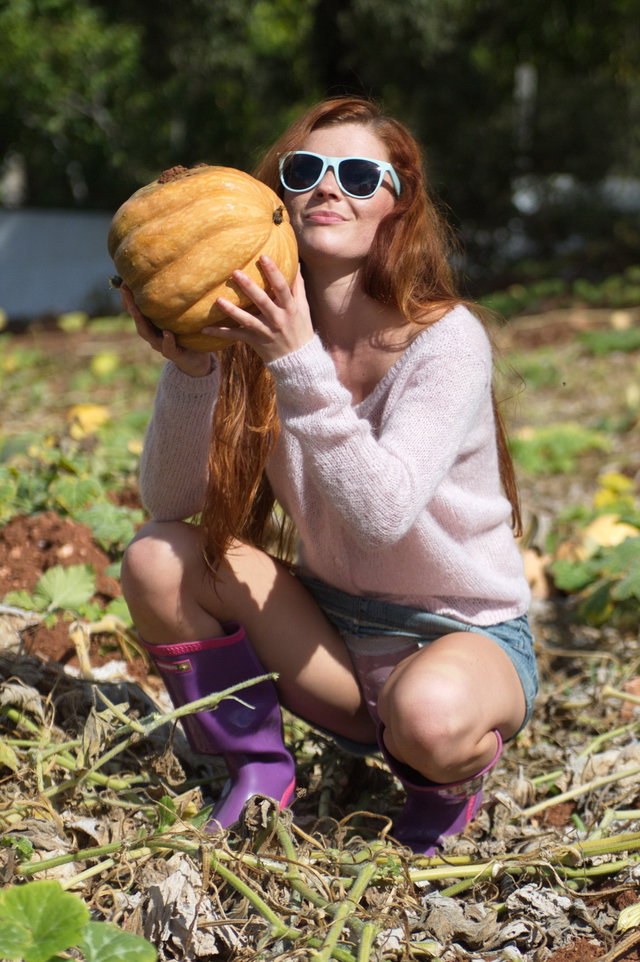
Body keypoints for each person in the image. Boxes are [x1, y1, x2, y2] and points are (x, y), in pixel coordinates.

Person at [119, 95, 538, 855]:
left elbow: (383, 512)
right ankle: (256, 769)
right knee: (156, 555)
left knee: (430, 718)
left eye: (355, 173)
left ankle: (442, 779)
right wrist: (191, 370)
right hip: (331, 643)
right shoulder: (257, 334)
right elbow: (170, 501)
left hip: (460, 639)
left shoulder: (447, 340)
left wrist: (296, 359)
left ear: (398, 201)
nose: (325, 187)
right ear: (276, 198)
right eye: (304, 170)